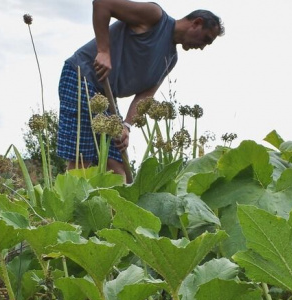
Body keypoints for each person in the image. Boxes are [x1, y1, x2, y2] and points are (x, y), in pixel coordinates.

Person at [56, 0, 224, 179]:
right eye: (206, 39)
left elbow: (145, 96)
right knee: (82, 158)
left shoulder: (170, 58)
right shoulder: (154, 17)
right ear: (196, 23)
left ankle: (120, 206)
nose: (202, 47)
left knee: (117, 163)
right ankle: (71, 204)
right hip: (82, 75)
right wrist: (103, 51)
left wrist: (126, 125)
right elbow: (102, 4)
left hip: (107, 94)